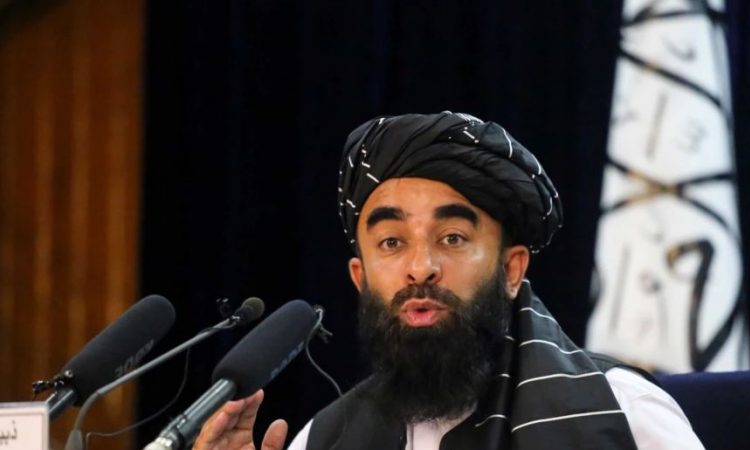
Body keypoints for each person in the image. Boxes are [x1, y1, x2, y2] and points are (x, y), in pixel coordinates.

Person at [193, 112, 705, 450]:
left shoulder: (622, 415)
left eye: (453, 238)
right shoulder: (325, 438)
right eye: (391, 242)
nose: (421, 267)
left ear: (512, 269)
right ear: (360, 278)